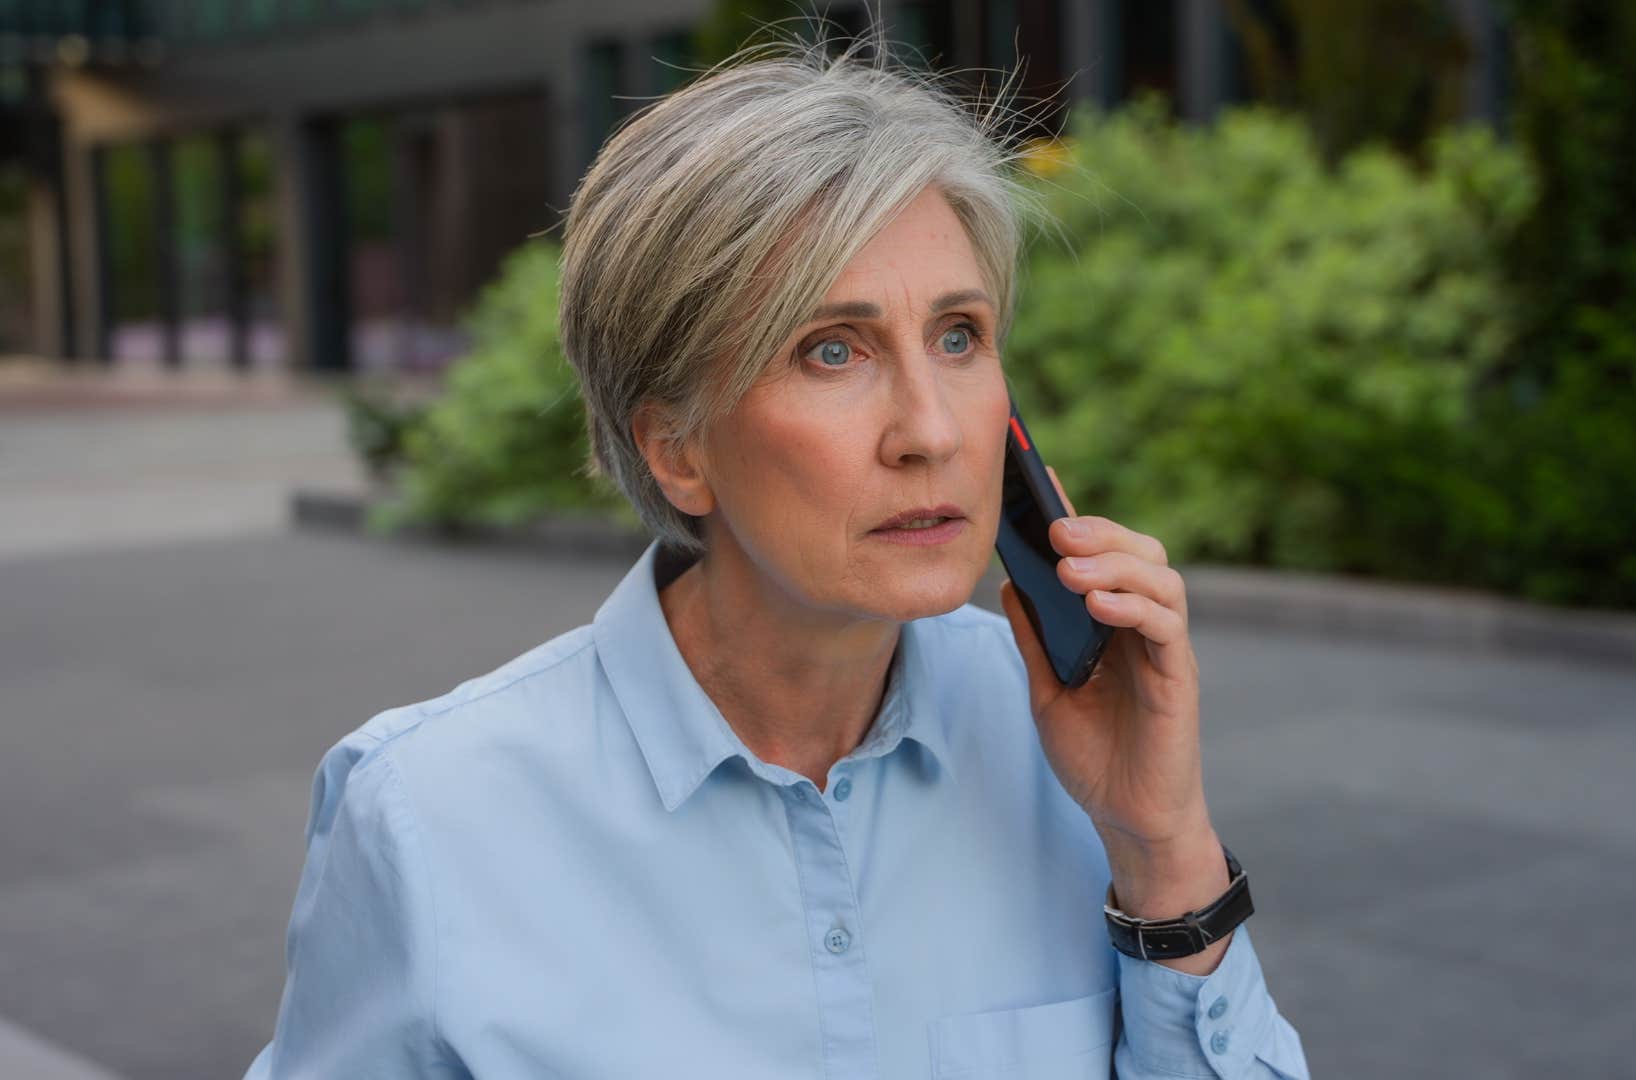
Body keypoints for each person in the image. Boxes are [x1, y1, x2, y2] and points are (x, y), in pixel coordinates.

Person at [244, 31, 1308, 1080]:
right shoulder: (432, 818)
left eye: (958, 337)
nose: (931, 432)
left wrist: (1162, 846)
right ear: (677, 448)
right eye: (830, 350)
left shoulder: (1069, 747)